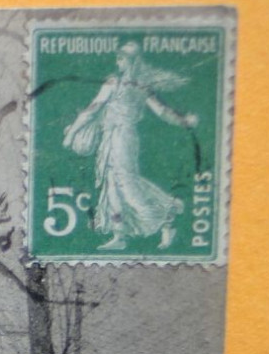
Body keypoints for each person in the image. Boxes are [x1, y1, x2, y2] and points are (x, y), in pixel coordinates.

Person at [62, 42, 199, 252]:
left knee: (126, 183)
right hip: (111, 136)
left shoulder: (129, 85)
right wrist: (184, 121)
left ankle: (167, 215)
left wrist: (71, 134)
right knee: (112, 184)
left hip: (123, 137)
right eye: (118, 57)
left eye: (123, 57)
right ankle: (120, 234)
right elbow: (94, 109)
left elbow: (160, 111)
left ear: (133, 61)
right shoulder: (122, 83)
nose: (118, 61)